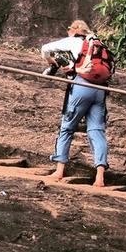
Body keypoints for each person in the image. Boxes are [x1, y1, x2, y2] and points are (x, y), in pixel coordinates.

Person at [42, 20, 108, 188]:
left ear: (76, 29)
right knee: (96, 131)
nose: (68, 32)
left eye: (69, 29)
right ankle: (99, 178)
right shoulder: (98, 43)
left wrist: (50, 61)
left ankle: (59, 171)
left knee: (67, 127)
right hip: (100, 89)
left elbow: (45, 49)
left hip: (81, 87)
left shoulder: (74, 41)